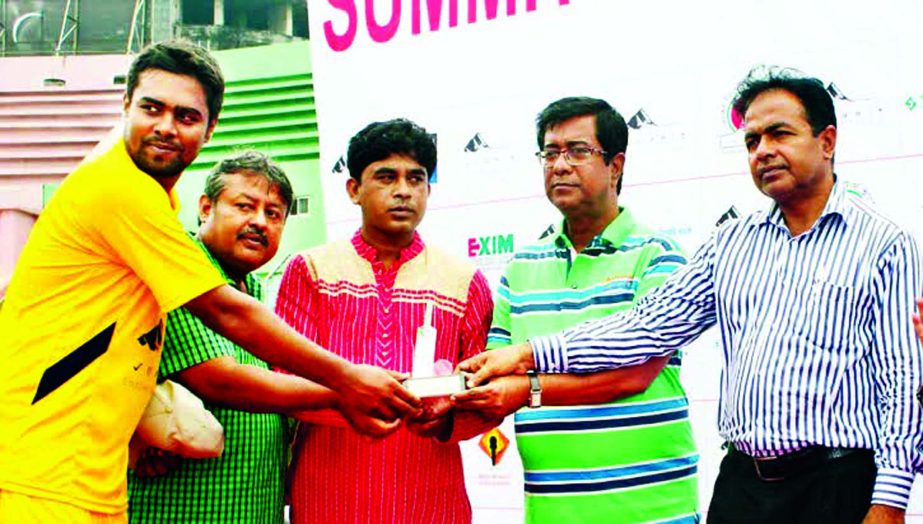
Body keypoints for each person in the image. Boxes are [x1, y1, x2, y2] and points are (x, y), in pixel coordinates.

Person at [460, 68, 923, 523]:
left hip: (836, 483)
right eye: (752, 140)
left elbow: (901, 382)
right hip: (742, 484)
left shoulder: (883, 242)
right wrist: (526, 353)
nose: (764, 151)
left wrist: (889, 501)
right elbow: (645, 327)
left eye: (779, 134)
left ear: (827, 141)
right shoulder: (732, 244)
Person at [0, 40, 417, 523]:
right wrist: (347, 383)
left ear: (209, 128)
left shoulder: (158, 208)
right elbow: (224, 318)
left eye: (186, 116)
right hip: (41, 480)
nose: (165, 127)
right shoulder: (119, 190)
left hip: (91, 481)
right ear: (125, 108)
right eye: (151, 108)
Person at [452, 96, 698, 523]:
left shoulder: (658, 255)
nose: (560, 165)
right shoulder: (520, 267)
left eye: (578, 151)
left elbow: (635, 373)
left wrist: (528, 389)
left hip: (654, 509)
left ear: (615, 166)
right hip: (553, 510)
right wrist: (433, 395)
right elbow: (497, 376)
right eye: (550, 152)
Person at [275, 118, 495, 523]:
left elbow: (484, 396)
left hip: (431, 500)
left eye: (416, 178)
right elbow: (283, 379)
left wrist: (448, 414)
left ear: (429, 189)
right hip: (329, 497)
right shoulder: (310, 272)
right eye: (386, 177)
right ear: (353, 189)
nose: (403, 191)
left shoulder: (466, 283)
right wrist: (354, 397)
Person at [127, 151, 333, 523]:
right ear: (206, 207)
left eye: (273, 214)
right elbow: (220, 379)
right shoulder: (179, 273)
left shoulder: (255, 292)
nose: (259, 222)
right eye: (244, 206)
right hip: (180, 513)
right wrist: (351, 392)